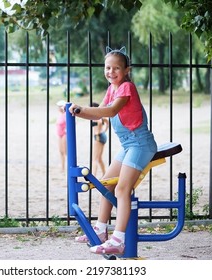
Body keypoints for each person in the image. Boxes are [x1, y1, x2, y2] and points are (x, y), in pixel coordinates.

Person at [69, 46, 157, 255]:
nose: (111, 72)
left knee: (121, 189)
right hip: (128, 145)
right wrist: (76, 111)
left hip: (140, 144)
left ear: (127, 70)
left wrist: (81, 109)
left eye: (116, 68)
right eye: (108, 68)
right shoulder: (112, 89)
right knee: (104, 186)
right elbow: (97, 114)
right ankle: (100, 232)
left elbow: (110, 111)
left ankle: (118, 240)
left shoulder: (127, 88)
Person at [90, 102, 109, 177]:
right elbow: (107, 122)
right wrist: (105, 130)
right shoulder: (100, 117)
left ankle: (93, 175)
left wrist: (104, 130)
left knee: (94, 158)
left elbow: (107, 122)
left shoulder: (96, 118)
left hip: (98, 136)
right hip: (102, 135)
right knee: (99, 158)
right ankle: (105, 173)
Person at [56, 100, 67, 171]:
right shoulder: (60, 115)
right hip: (59, 134)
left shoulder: (66, 114)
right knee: (60, 151)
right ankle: (62, 166)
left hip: (64, 134)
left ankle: (67, 166)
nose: (59, 108)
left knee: (65, 151)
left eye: (60, 106)